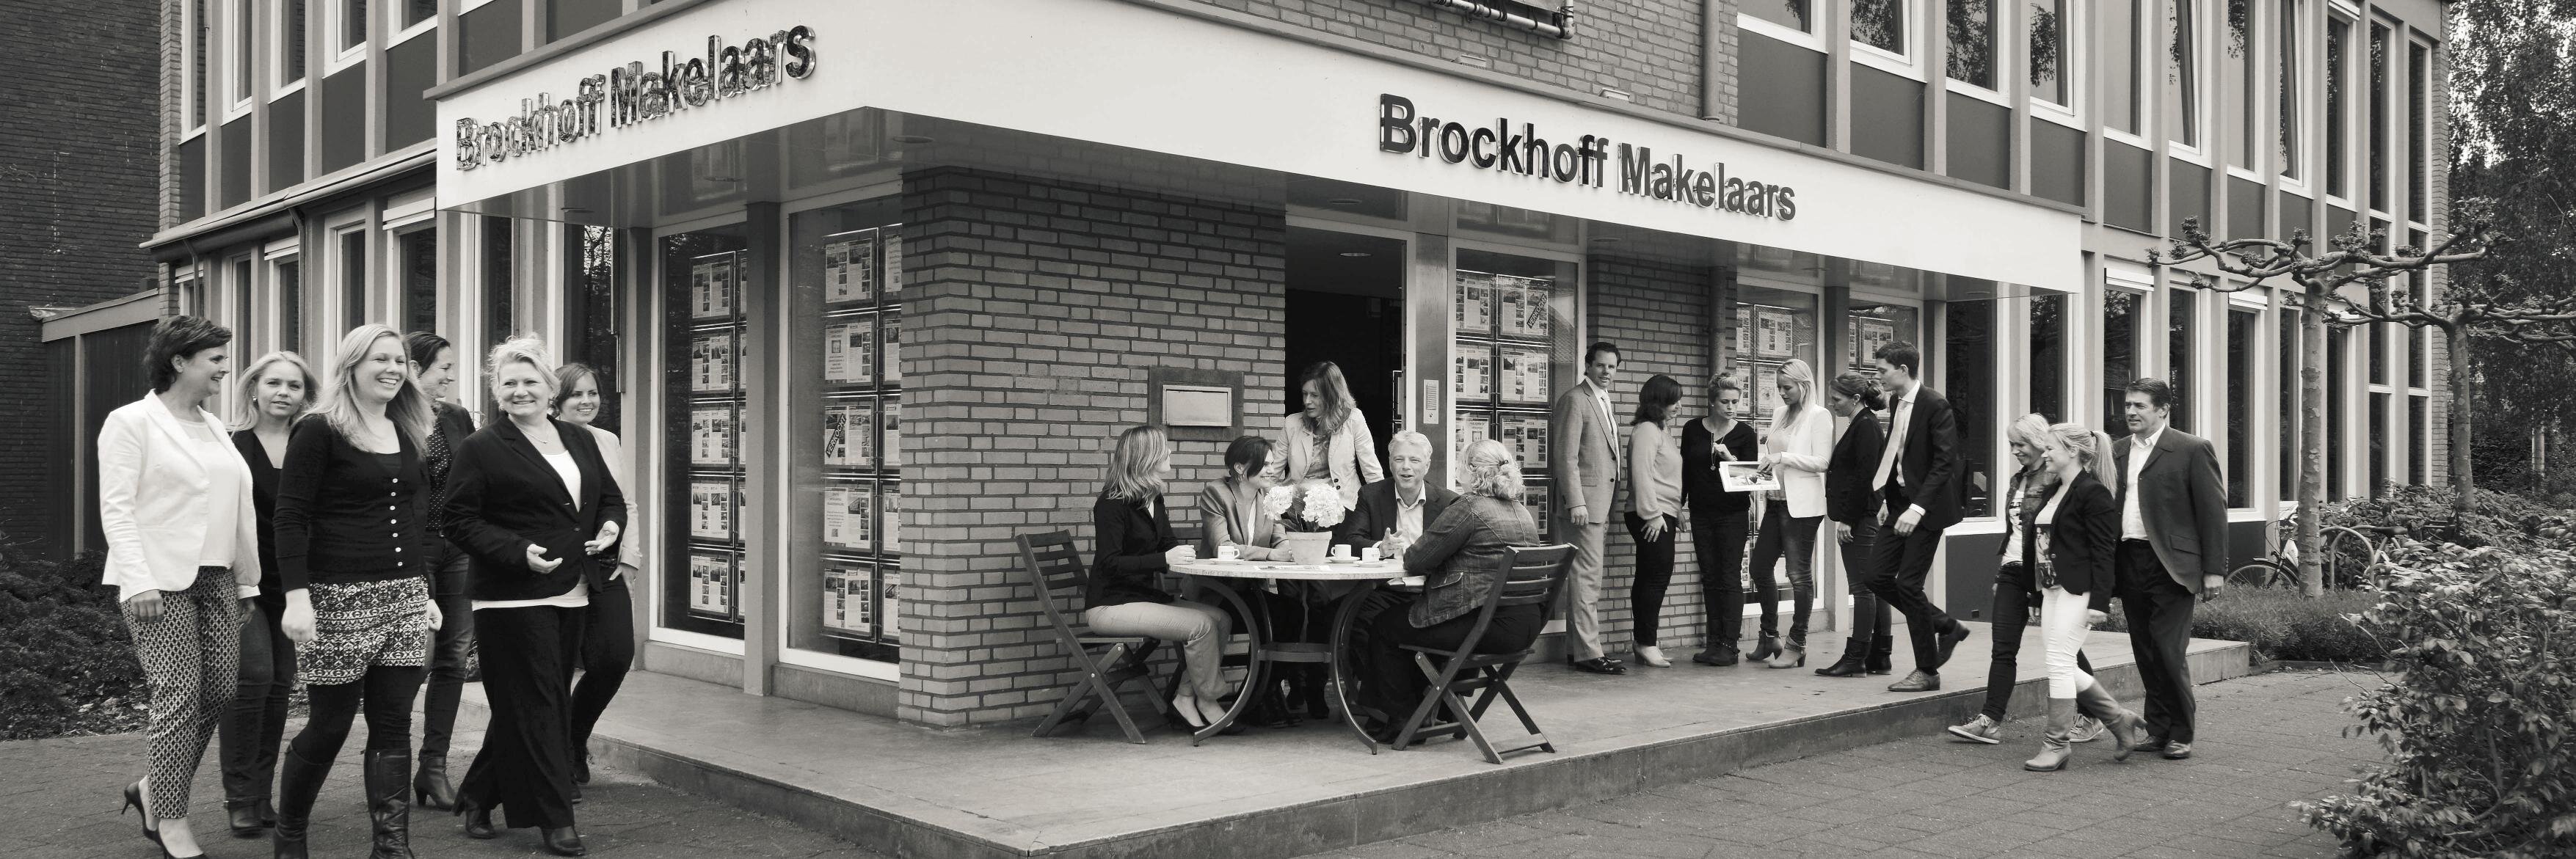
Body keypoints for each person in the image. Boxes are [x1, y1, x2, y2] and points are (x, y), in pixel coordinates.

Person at [442, 338, 625, 857]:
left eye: (530, 381)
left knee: (529, 704)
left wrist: (611, 526)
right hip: (510, 596)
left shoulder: (578, 439)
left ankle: (478, 792)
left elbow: (607, 497)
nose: (520, 391)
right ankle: (554, 819)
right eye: (509, 383)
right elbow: (458, 519)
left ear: (549, 388)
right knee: (543, 703)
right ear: (497, 392)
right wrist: (517, 551)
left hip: (573, 588)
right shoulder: (483, 446)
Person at [270, 324, 443, 859]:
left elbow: (422, 517)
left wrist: (426, 587)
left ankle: (391, 847)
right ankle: (290, 834)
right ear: (351, 365)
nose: (393, 368)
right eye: (380, 359)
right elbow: (290, 516)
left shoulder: (409, 427)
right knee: (330, 724)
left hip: (404, 597)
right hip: (337, 597)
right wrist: (297, 597)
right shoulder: (319, 430)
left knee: (394, 721)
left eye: (400, 360)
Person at [102, 316, 263, 859]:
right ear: (180, 361)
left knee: (219, 690)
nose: (225, 367)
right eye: (215, 357)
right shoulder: (131, 422)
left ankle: (152, 786)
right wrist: (137, 577)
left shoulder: (213, 425)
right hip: (158, 581)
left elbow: (234, 507)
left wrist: (245, 583)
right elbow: (117, 508)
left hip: (217, 575)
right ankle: (170, 818)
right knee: (178, 695)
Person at [1354, 439, 1544, 745]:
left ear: (1471, 471)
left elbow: (1417, 559)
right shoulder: (1520, 511)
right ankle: (1441, 707)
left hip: (1488, 626)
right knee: (1407, 622)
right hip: (1525, 625)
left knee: (1386, 626)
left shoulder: (1470, 507)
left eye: (1461, 465)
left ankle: (1404, 720)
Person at [1946, 415, 2103, 740]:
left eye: (2021, 444)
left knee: (2064, 652)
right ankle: (1989, 721)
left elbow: (2053, 537)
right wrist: (2002, 569)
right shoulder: (2017, 480)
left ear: (2038, 443)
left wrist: (2040, 587)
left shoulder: (2057, 481)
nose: (2015, 451)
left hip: (2047, 577)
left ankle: (2094, 715)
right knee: (2003, 648)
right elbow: (2017, 532)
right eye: (2011, 444)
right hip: (2012, 570)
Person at [217, 351, 317, 840]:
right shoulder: (230, 443)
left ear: (306, 394)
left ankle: (260, 794)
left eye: (294, 385)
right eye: (273, 382)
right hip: (244, 583)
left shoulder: (313, 442)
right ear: (253, 388)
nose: (283, 392)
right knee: (252, 679)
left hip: (294, 583)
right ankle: (239, 796)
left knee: (279, 685)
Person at [1088, 425, 1237, 729]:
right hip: (1111, 606)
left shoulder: (1153, 499)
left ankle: (1185, 696)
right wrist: (1163, 559)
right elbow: (1109, 563)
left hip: (1142, 598)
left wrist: (1186, 555)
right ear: (1146, 457)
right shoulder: (1111, 504)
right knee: (1201, 625)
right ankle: (1207, 699)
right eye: (1164, 448)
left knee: (1222, 619)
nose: (1170, 453)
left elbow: (1167, 544)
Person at [2111, 377, 2230, 761]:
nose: (2130, 411)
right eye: (2128, 404)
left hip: (2172, 566)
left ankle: (2181, 731)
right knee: (2144, 649)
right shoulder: (2116, 451)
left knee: (2168, 649)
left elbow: (2213, 514)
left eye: (2140, 405)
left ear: (2163, 410)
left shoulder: (2191, 449)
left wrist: (2214, 570)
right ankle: (2158, 729)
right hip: (2129, 560)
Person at [2023, 424, 2147, 771]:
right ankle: (2119, 719)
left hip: (2080, 590)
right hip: (2051, 589)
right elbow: (2039, 546)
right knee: (2061, 660)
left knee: (2059, 663)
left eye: (2049, 448)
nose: (2043, 453)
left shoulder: (2094, 494)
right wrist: (2034, 591)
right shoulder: (2054, 491)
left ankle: (2056, 744)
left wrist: (2099, 602)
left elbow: (2104, 552)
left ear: (2073, 451)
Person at [1866, 342, 1975, 692]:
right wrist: (1886, 494)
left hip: (1926, 511)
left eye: (1882, 369)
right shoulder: (1897, 402)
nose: (1878, 375)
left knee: (1908, 585)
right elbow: (1897, 453)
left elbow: (1945, 463)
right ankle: (1945, 625)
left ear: (1902, 369)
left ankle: (1927, 671)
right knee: (1877, 576)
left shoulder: (1934, 404)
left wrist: (1918, 508)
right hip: (1899, 504)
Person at [555, 362, 639, 790]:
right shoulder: (545, 442)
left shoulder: (608, 440)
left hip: (607, 566)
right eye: (577, 394)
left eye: (593, 393)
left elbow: (627, 503)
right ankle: (556, 756)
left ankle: (574, 735)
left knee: (615, 657)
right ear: (557, 400)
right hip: (561, 570)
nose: (587, 401)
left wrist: (630, 558)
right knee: (557, 666)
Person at [402, 331, 476, 814]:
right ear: (415, 367)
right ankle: (386, 757)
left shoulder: (456, 417)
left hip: (459, 548)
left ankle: (433, 766)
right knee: (414, 659)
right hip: (412, 548)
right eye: (443, 367)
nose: (450, 376)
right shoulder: (391, 417)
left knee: (453, 657)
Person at [1746, 360, 1833, 669]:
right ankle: (1770, 635)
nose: (1781, 394)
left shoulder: (1819, 416)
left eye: (1787, 387)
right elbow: (1771, 456)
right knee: (1759, 568)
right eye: (1779, 387)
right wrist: (1744, 466)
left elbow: (1823, 461)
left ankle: (1798, 643)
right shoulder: (1780, 413)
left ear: (1804, 385)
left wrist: (1784, 456)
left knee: (1798, 577)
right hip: (1775, 501)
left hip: (1803, 508)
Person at [1551, 341, 1626, 674]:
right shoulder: (1575, 399)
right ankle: (1589, 652)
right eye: (1600, 366)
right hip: (1583, 506)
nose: (1606, 372)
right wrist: (1576, 501)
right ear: (1587, 365)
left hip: (1600, 503)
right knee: (1587, 578)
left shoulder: (1603, 400)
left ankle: (1578, 649)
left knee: (1584, 576)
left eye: (1612, 367)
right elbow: (1566, 456)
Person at [1813, 373, 1891, 679]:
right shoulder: (1862, 425)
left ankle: (1856, 656)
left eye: (1837, 399)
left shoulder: (1866, 427)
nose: (1832, 404)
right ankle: (1880, 656)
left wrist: (1848, 518)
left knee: (1862, 589)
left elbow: (1865, 478)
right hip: (1862, 517)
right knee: (1874, 587)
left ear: (1856, 399)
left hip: (1859, 520)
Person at [1679, 376, 1758, 666]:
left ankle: (1729, 644)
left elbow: (1752, 481)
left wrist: (1730, 459)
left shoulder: (1745, 434)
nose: (1731, 407)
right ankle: (1713, 643)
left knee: (1728, 576)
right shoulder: (1692, 429)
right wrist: (1679, 506)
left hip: (1733, 514)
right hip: (1701, 512)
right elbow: (1685, 470)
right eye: (1725, 402)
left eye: (1735, 402)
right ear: (1711, 401)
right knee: (1710, 576)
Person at [1623, 374, 1685, 668]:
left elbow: (1666, 477)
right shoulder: (1647, 430)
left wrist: (1677, 511)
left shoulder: (1661, 431)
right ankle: (1645, 643)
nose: (1678, 406)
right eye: (1672, 400)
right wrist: (1653, 514)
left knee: (1652, 577)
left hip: (1662, 513)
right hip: (1650, 515)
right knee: (1654, 578)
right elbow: (1642, 474)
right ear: (1656, 402)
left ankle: (1645, 642)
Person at [1279, 362, 1385, 512]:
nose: (1307, 401)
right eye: (1305, 393)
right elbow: (1271, 472)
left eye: (1315, 395)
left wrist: (1380, 513)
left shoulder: (1354, 419)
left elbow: (1371, 471)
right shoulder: (1292, 423)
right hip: (1298, 509)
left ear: (1332, 395)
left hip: (1344, 507)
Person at [1333, 431, 1457, 559]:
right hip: (1386, 578)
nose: (1406, 466)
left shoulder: (1448, 502)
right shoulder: (1370, 495)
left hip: (1428, 578)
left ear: (1427, 466)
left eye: (1414, 460)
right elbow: (1351, 541)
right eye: (1399, 459)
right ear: (1390, 464)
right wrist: (1380, 549)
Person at [1199, 435, 1289, 561]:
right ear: (1239, 468)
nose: (1272, 471)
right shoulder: (1215, 493)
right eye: (1265, 465)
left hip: (1255, 578)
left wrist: (1289, 551)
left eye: (1272, 464)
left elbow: (1280, 540)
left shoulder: (1271, 494)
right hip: (1219, 578)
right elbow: (1222, 548)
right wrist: (1269, 554)